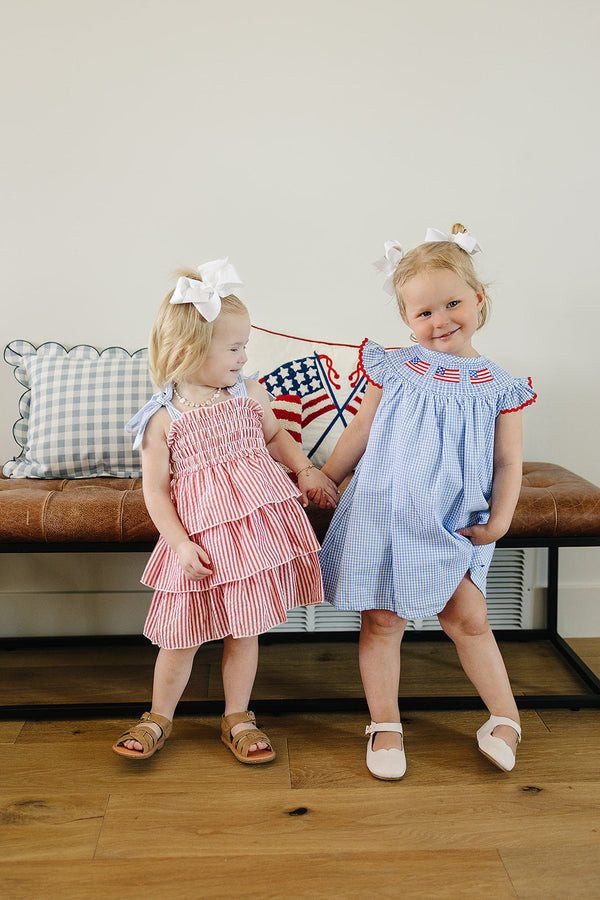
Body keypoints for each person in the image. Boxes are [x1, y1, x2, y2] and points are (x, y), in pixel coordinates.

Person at [312, 225, 536, 779]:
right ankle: (385, 724)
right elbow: (361, 430)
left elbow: (507, 463)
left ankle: (504, 717)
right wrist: (328, 477)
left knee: (470, 618)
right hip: (385, 512)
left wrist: (500, 519)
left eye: (453, 303)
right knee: (384, 620)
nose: (441, 321)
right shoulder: (395, 369)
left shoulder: (500, 388)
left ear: (479, 299)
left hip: (450, 523)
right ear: (407, 321)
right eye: (424, 313)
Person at [112, 258, 338, 764]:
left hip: (252, 539)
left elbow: (277, 437)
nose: (243, 357)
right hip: (197, 541)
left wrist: (303, 470)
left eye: (244, 347)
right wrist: (179, 543)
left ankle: (237, 714)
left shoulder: (248, 393)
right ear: (189, 351)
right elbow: (156, 492)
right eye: (233, 348)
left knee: (245, 628)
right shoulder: (162, 420)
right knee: (180, 635)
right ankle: (158, 716)